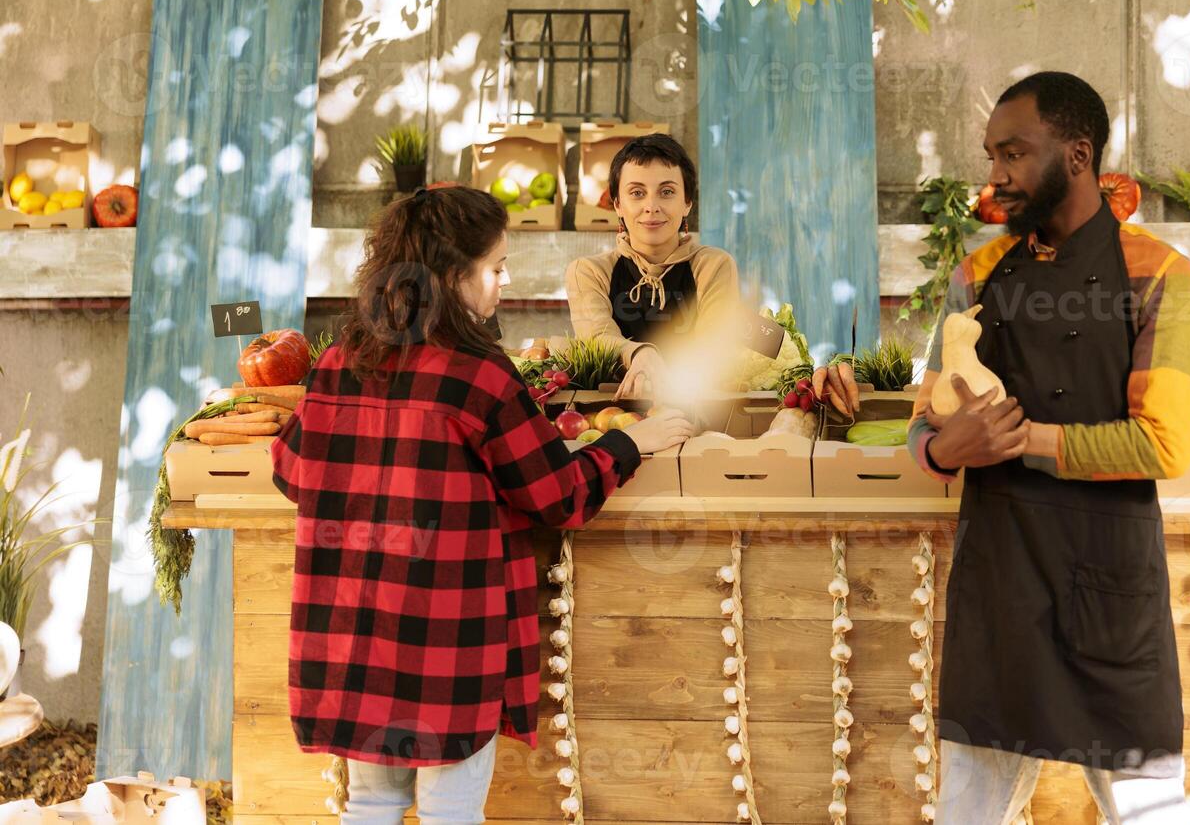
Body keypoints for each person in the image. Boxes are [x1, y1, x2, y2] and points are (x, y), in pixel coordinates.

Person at [270, 187, 692, 825]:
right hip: (448, 643)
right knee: (451, 814)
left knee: (369, 805)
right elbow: (559, 495)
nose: (505, 279)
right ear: (449, 279)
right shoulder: (483, 378)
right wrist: (630, 442)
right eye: (494, 268)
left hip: (356, 639)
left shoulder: (339, 363)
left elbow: (291, 469)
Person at [906, 72, 1190, 824]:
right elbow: (922, 427)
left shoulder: (1159, 274)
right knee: (966, 814)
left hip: (1109, 593)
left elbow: (1164, 445)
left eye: (1013, 153)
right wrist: (947, 451)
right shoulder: (975, 274)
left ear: (1077, 155)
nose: (996, 175)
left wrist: (1016, 438)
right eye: (990, 155)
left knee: (1151, 813)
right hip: (1000, 589)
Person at [566, 132, 859, 411]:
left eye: (667, 192)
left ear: (687, 203)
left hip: (695, 412)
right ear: (617, 204)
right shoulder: (589, 271)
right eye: (637, 193)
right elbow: (597, 335)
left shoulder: (712, 264)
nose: (651, 206)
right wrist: (641, 353)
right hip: (612, 416)